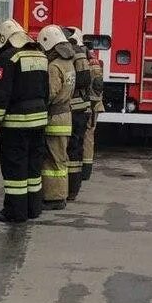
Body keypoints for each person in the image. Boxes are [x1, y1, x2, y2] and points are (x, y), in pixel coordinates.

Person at [0, 19, 49, 223]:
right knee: (33, 166)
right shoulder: (40, 55)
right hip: (39, 121)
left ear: (5, 38)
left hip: (16, 124)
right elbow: (46, 91)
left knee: (15, 168)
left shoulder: (8, 58)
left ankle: (15, 212)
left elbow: (0, 93)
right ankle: (33, 208)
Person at [38, 25, 76, 211]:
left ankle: (54, 198)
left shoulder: (54, 66)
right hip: (66, 116)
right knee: (61, 158)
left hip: (54, 118)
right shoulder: (68, 63)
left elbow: (50, 93)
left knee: (52, 159)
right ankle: (60, 195)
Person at [64, 28, 91, 201]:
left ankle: (71, 189)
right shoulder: (81, 54)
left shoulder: (75, 54)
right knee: (76, 149)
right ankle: (73, 188)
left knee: (72, 150)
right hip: (80, 109)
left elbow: (82, 81)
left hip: (74, 109)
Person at [83, 45, 105, 181]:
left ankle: (85, 170)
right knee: (88, 137)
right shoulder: (95, 65)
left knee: (87, 137)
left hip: (89, 107)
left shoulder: (88, 65)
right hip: (94, 106)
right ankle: (86, 169)